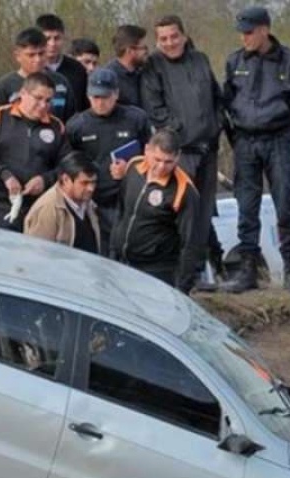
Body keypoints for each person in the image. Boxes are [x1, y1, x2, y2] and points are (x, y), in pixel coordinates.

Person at [221, 6, 290, 296]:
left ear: (264, 30)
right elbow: (227, 101)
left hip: (278, 139)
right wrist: (237, 136)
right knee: (246, 207)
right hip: (246, 141)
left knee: (285, 203)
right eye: (241, 32)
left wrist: (283, 130)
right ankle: (248, 269)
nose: (244, 38)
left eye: (249, 32)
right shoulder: (234, 62)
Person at [141, 14, 226, 290]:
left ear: (184, 36)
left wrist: (216, 126)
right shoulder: (153, 65)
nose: (169, 43)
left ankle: (199, 271)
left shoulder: (200, 60)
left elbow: (216, 97)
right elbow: (154, 107)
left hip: (208, 149)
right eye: (163, 38)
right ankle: (177, 276)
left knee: (202, 213)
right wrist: (180, 131)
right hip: (180, 152)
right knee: (181, 214)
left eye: (173, 36)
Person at [66, 67, 151, 255]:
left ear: (116, 94)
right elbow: (69, 165)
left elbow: (152, 156)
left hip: (130, 197)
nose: (100, 103)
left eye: (105, 97)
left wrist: (130, 168)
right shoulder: (76, 126)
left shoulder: (136, 118)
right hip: (94, 201)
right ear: (88, 96)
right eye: (95, 97)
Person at [0, 72, 71, 231]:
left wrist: (45, 179)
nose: (43, 105)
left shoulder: (56, 126)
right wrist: (5, 175)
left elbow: (67, 165)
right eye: (38, 98)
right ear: (23, 94)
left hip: (39, 203)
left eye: (48, 100)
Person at [110, 129, 202, 293]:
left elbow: (190, 244)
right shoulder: (133, 166)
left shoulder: (184, 190)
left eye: (168, 162)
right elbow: (121, 210)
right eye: (157, 159)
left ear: (177, 158)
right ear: (147, 151)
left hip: (157, 270)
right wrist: (113, 250)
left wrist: (182, 288)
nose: (161, 167)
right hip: (122, 262)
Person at [0, 28, 76, 123]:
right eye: (31, 55)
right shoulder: (4, 87)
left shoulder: (61, 82)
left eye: (41, 53)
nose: (38, 59)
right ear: (17, 56)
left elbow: (71, 121)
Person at [24, 151, 101, 254]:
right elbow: (38, 255)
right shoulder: (48, 209)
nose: (91, 188)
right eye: (85, 183)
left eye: (93, 182)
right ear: (66, 180)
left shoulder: (87, 203)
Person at [36, 14, 89, 113]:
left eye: (57, 38)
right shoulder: (33, 69)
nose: (52, 44)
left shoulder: (77, 69)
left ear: (63, 38)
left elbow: (84, 107)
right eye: (47, 39)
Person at [106, 25, 149, 109]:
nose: (146, 52)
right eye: (144, 48)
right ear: (130, 51)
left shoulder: (143, 72)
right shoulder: (109, 78)